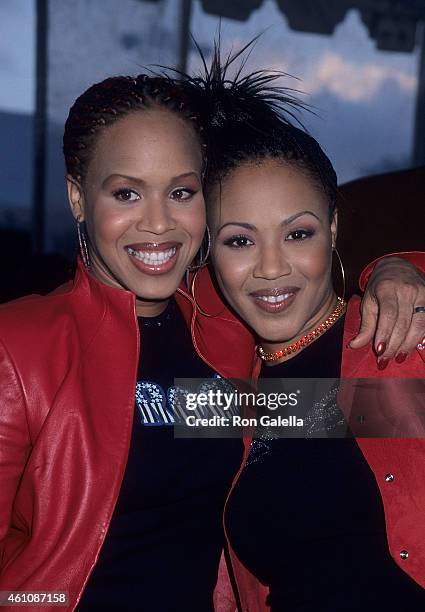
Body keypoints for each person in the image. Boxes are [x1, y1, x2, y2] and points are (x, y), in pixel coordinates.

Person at [0, 70, 423, 612]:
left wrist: (396, 269)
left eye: (180, 191)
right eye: (126, 192)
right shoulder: (20, 346)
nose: (157, 223)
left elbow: (348, 408)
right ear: (78, 198)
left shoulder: (223, 336)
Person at [186, 56, 425, 611]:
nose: (271, 267)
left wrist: (403, 265)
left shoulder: (399, 341)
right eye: (239, 241)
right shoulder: (226, 395)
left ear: (334, 228)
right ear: (207, 251)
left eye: (298, 233)